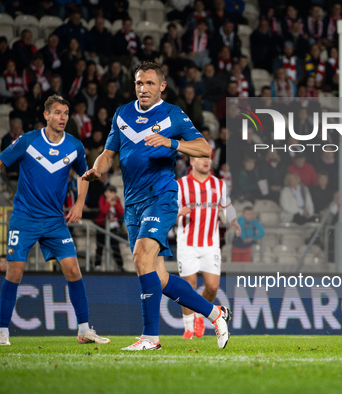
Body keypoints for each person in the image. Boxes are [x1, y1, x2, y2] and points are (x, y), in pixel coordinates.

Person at [83, 62, 231, 351]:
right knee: (158, 276)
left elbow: (204, 148)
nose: (144, 88)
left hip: (161, 195)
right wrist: (97, 169)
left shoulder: (172, 115)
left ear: (161, 86)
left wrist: (172, 143)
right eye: (139, 83)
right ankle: (216, 314)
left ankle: (150, 338)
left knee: (141, 256)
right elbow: (108, 154)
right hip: (134, 202)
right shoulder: (122, 114)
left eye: (150, 83)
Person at [0, 95, 110, 347]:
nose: (63, 117)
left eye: (66, 113)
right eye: (58, 112)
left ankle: (84, 330)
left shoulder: (74, 145)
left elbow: (84, 176)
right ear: (46, 115)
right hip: (25, 218)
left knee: (73, 269)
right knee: (15, 272)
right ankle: (3, 332)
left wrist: (79, 204)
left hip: (54, 220)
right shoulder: (28, 141)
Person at [176, 156, 240, 339]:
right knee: (189, 287)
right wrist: (178, 212)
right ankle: (188, 328)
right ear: (192, 161)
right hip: (187, 244)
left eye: (208, 157)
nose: (206, 161)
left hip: (210, 244)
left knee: (212, 286)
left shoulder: (219, 184)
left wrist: (233, 220)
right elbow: (169, 209)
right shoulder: (181, 185)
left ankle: (198, 314)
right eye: (201, 157)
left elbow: (226, 205)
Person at [94, 185, 124, 270]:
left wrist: (116, 205)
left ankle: (120, 266)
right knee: (100, 247)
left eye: (113, 193)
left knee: (116, 247)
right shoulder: (102, 198)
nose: (111, 194)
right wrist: (108, 203)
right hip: (102, 227)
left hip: (113, 227)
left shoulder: (117, 199)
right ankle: (97, 265)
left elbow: (121, 212)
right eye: (109, 192)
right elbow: (104, 211)